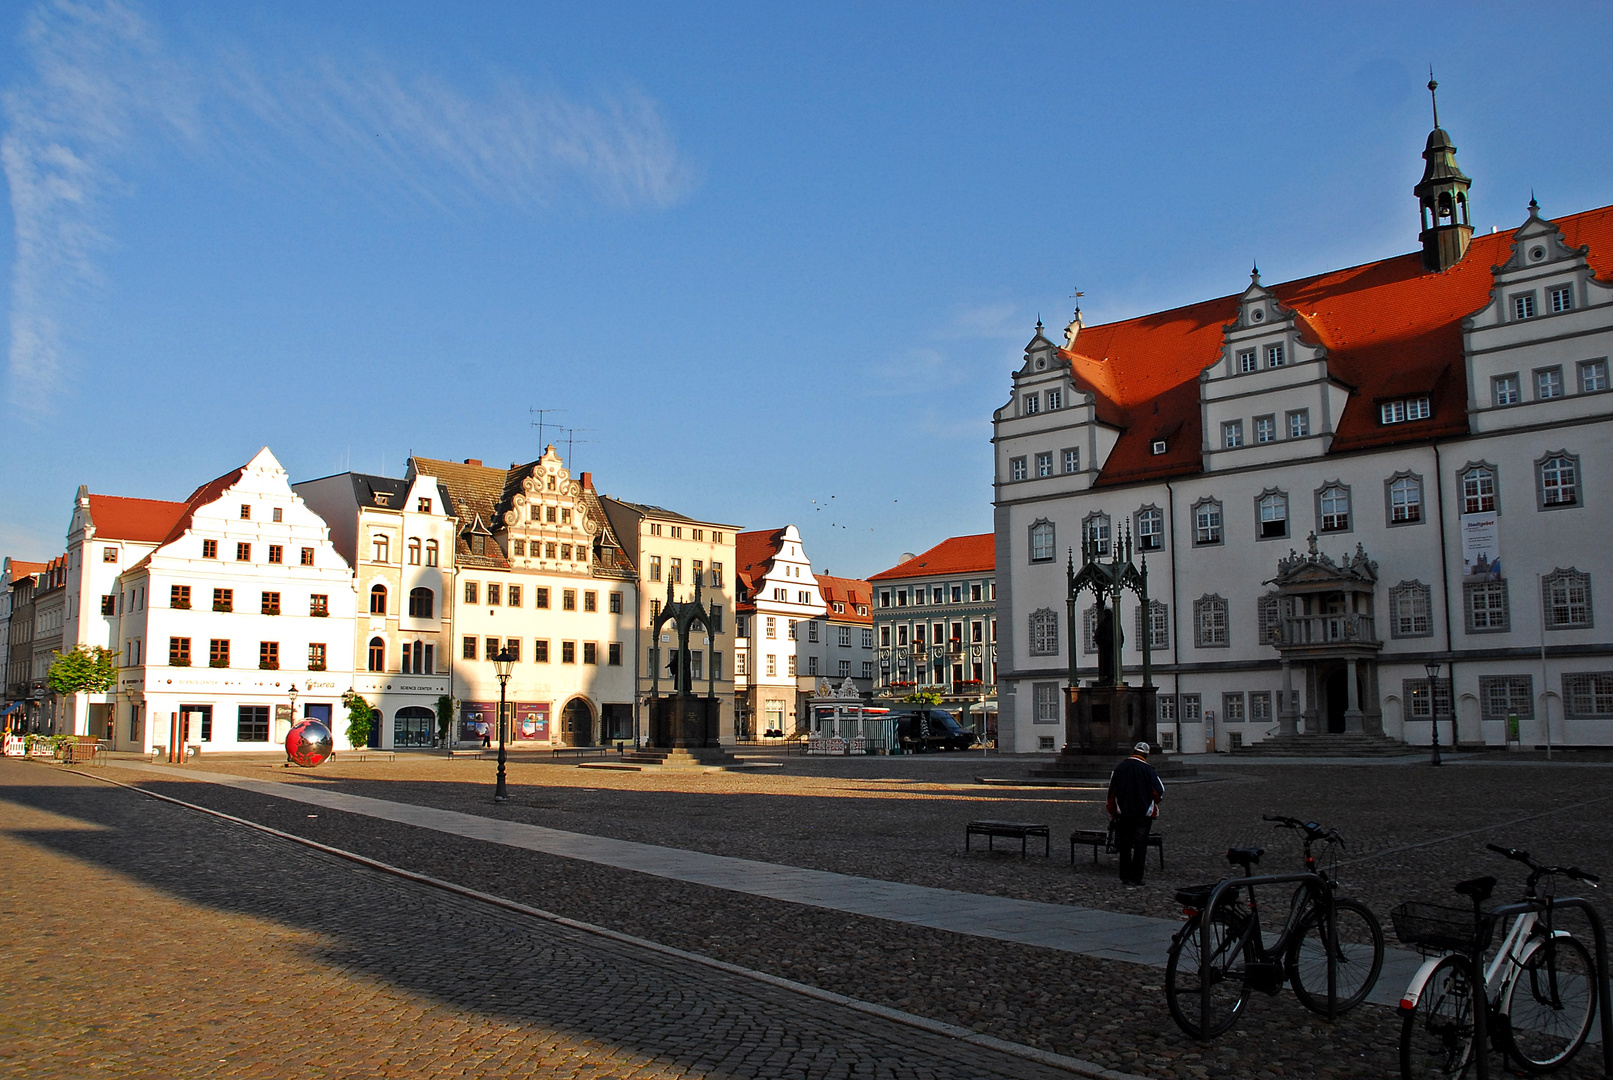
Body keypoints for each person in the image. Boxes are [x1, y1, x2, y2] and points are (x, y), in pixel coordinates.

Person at [1106, 740, 1164, 887]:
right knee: (1140, 846)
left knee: (1125, 846)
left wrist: (1113, 812)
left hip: (1124, 814)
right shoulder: (1148, 769)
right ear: (1146, 755)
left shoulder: (1119, 768)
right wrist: (1151, 804)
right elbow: (1159, 791)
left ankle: (1124, 876)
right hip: (1142, 815)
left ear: (1133, 752)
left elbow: (1111, 794)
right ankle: (1136, 877)